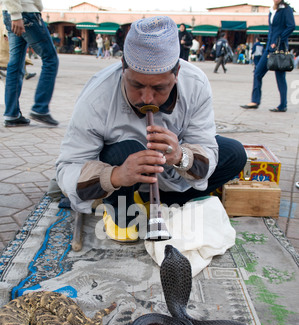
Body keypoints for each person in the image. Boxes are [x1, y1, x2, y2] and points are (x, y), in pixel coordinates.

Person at [56, 16, 247, 242]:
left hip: (170, 173)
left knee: (235, 154)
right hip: (122, 177)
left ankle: (162, 200)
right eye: (136, 85)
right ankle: (119, 204)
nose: (147, 98)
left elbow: (206, 146)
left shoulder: (196, 83)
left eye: (159, 88)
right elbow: (67, 167)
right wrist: (115, 176)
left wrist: (180, 156)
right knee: (127, 150)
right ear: (123, 68)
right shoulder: (96, 97)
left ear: (176, 74)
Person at [2, 0, 59, 127]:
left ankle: (12, 114)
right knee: (50, 59)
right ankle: (40, 108)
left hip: (11, 12)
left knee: (15, 64)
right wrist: (17, 15)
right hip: (25, 13)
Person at [241, 0, 295, 112]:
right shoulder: (272, 10)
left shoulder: (286, 9)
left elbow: (291, 26)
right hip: (268, 48)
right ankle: (255, 101)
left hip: (279, 47)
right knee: (257, 73)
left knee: (280, 77)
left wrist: (279, 39)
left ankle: (282, 105)